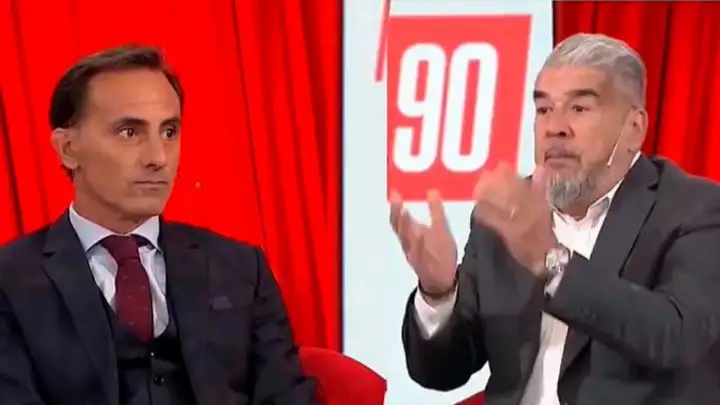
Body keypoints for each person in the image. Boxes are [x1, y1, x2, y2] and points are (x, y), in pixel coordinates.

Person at [392, 33, 720, 405]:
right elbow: (444, 372)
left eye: (579, 108)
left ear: (634, 128)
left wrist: (551, 262)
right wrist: (438, 293)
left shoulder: (695, 209)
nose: (555, 127)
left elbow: (676, 337)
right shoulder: (507, 215)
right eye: (544, 109)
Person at [0, 46, 317, 405]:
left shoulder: (241, 267)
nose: (158, 157)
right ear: (68, 148)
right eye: (129, 132)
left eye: (169, 132)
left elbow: (288, 397)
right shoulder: (10, 281)